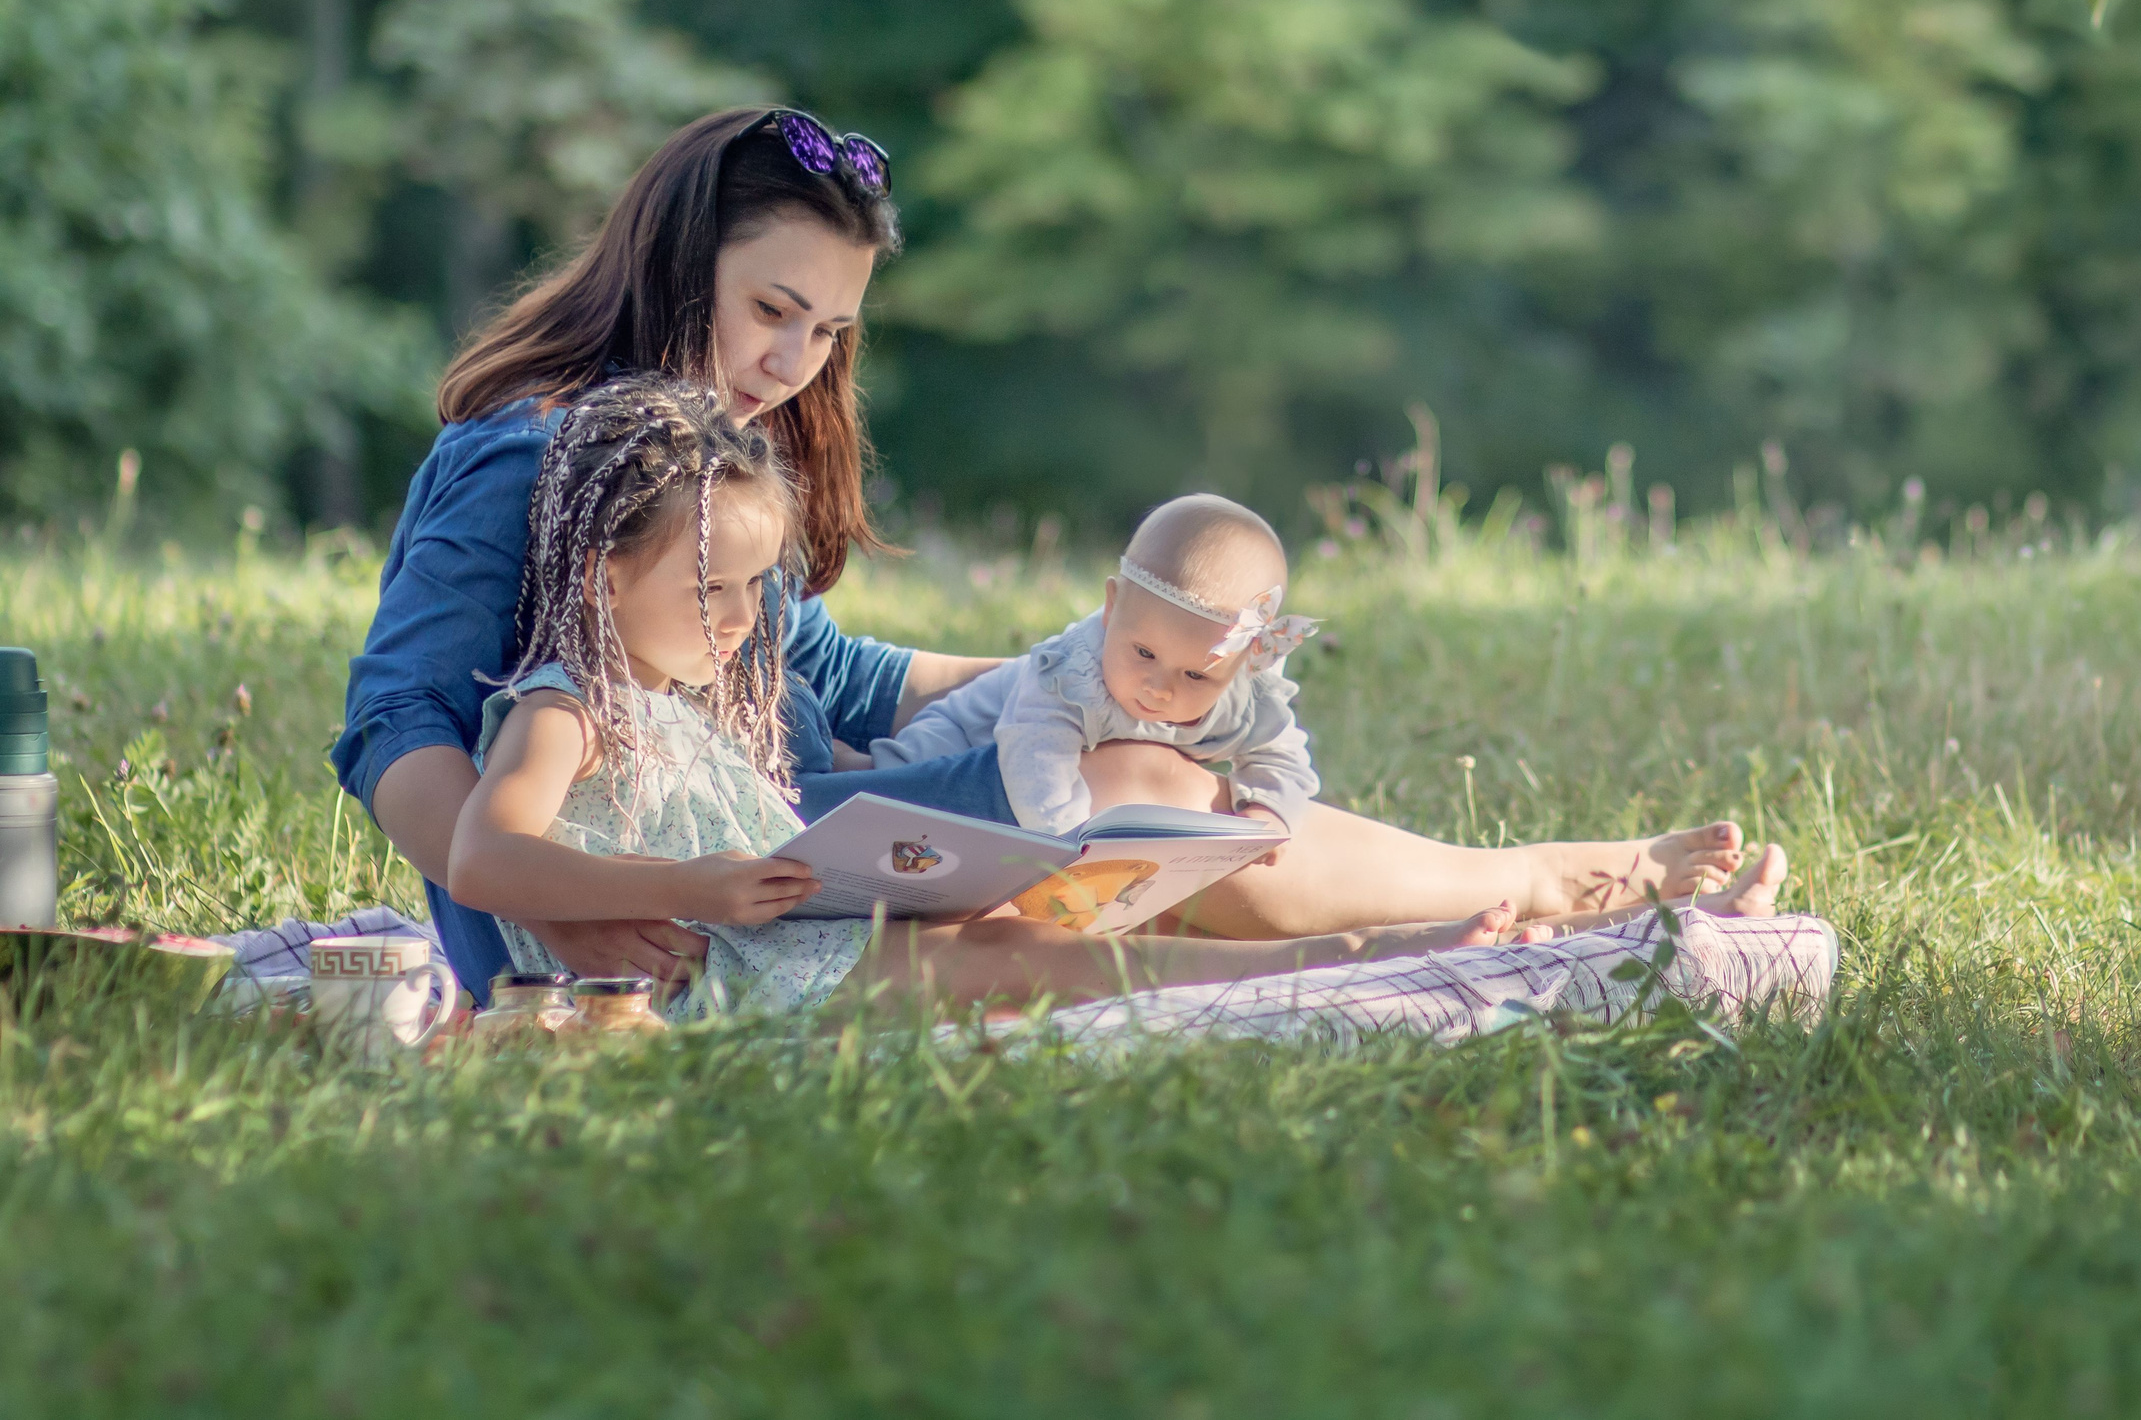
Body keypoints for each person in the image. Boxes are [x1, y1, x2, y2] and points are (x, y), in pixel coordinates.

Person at [333, 106, 1790, 1009]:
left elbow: (830, 673)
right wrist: (569, 917)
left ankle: (1528, 891)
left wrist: (1108, 673)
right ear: (675, 263)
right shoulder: (544, 452)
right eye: (772, 308)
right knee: (1134, 790)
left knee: (1145, 766)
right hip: (616, 910)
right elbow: (399, 717)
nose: (793, 360)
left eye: (830, 328)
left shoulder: (723, 458)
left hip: (783, 824)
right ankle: (1540, 892)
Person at [449, 374, 1758, 1018]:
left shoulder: (688, 700)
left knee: (1041, 928)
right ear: (602, 569)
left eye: (752, 593)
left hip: (798, 935)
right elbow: (485, 850)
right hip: (740, 974)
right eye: (711, 593)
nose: (743, 626)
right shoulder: (568, 700)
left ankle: (1396, 939)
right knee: (1026, 968)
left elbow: (829, 706)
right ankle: (1376, 951)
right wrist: (691, 888)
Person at [865, 493, 1319, 840]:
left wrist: (1269, 812)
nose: (1158, 688)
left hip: (1079, 775)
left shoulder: (1245, 699)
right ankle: (861, 768)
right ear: (1111, 607)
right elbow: (1037, 762)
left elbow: (1283, 753)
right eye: (1143, 653)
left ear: (1242, 664)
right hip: (973, 734)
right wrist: (1070, 843)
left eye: (1196, 675)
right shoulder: (1070, 677)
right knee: (910, 783)